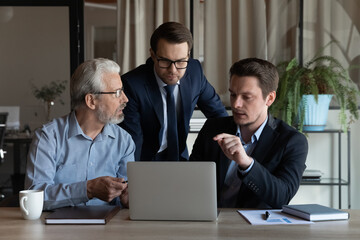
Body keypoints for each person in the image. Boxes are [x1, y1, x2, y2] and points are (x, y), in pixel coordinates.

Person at [190, 58, 308, 209]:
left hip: (256, 229)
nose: (236, 104)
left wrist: (246, 163)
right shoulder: (213, 129)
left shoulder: (292, 141)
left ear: (270, 98)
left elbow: (282, 197)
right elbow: (192, 181)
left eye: (246, 97)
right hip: (210, 221)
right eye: (233, 95)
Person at [25, 58, 135, 210]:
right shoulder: (49, 137)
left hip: (109, 228)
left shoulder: (124, 141)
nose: (125, 99)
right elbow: (33, 196)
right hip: (54, 230)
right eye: (117, 93)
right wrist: (87, 189)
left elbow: (126, 198)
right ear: (91, 100)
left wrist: (129, 199)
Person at [120, 21, 228, 161]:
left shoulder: (194, 72)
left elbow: (219, 116)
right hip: (145, 160)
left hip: (180, 157)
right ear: (153, 55)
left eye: (181, 61)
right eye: (165, 61)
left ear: (188, 55)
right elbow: (132, 141)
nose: (173, 70)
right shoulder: (132, 85)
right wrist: (133, 177)